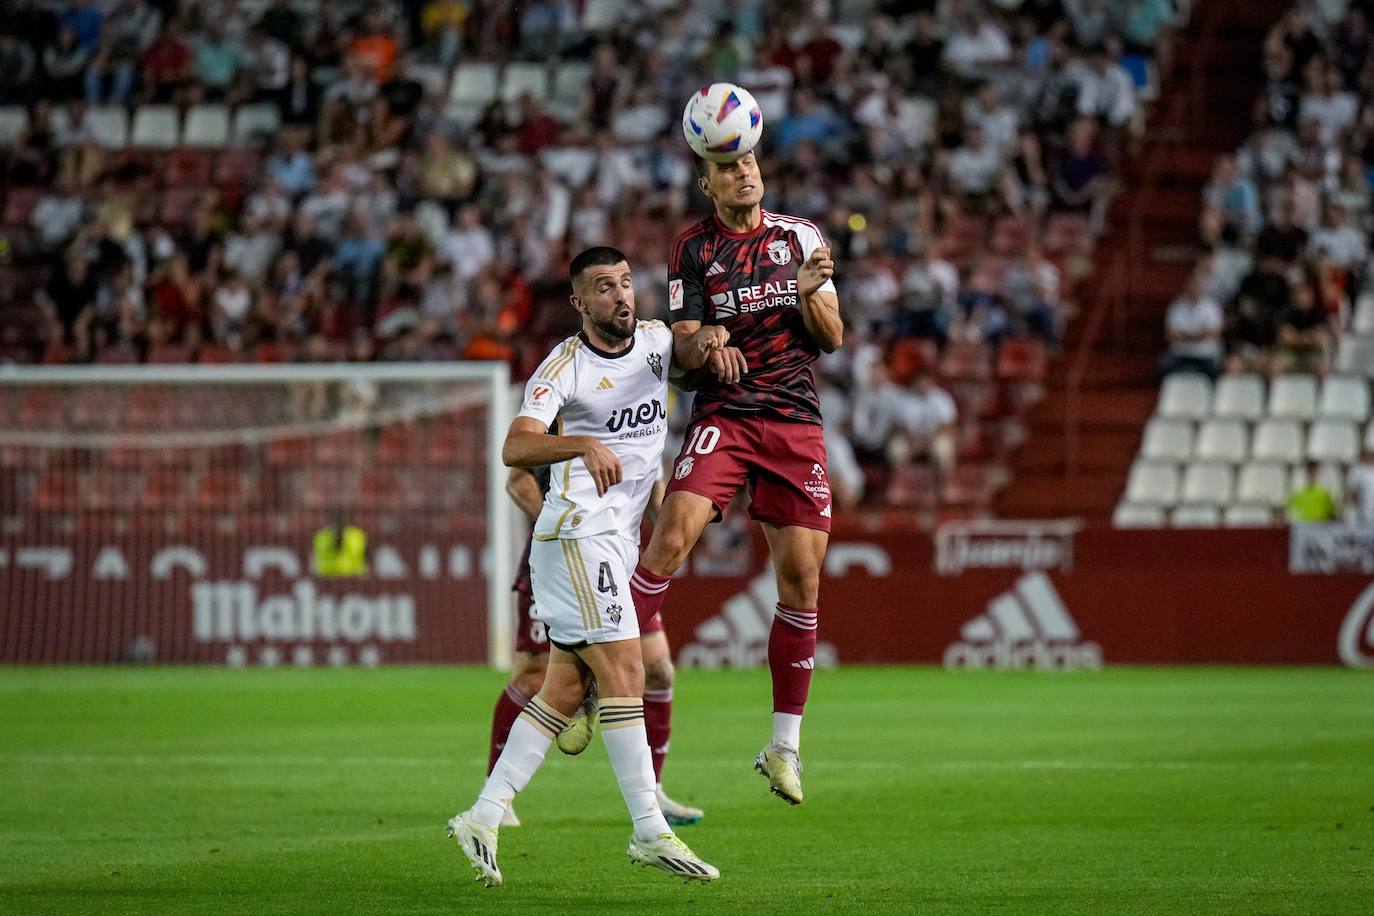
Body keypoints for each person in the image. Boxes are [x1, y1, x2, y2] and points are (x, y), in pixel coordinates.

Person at [449, 247, 727, 887]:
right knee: (629, 668)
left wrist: (710, 337)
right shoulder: (564, 366)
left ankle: (484, 815)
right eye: (603, 288)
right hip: (577, 536)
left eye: (626, 283)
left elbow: (680, 369)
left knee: (566, 690)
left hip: (615, 540)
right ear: (580, 303)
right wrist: (581, 442)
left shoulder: (657, 341)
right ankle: (649, 830)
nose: (620, 296)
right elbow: (515, 447)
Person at [630, 148, 843, 806]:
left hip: (793, 421)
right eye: (727, 168)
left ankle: (784, 746)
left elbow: (833, 336)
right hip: (726, 415)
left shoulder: (799, 237)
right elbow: (682, 346)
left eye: (749, 162)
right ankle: (593, 666)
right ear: (708, 183)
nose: (743, 172)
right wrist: (709, 343)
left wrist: (810, 299)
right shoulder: (693, 248)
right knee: (670, 540)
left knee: (801, 581)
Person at [485, 462, 704, 828]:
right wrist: (564, 526)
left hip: (620, 562)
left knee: (658, 670)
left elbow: (654, 483)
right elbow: (517, 479)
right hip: (561, 559)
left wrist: (673, 535)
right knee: (533, 676)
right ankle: (496, 795)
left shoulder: (642, 415)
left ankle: (653, 791)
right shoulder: (560, 411)